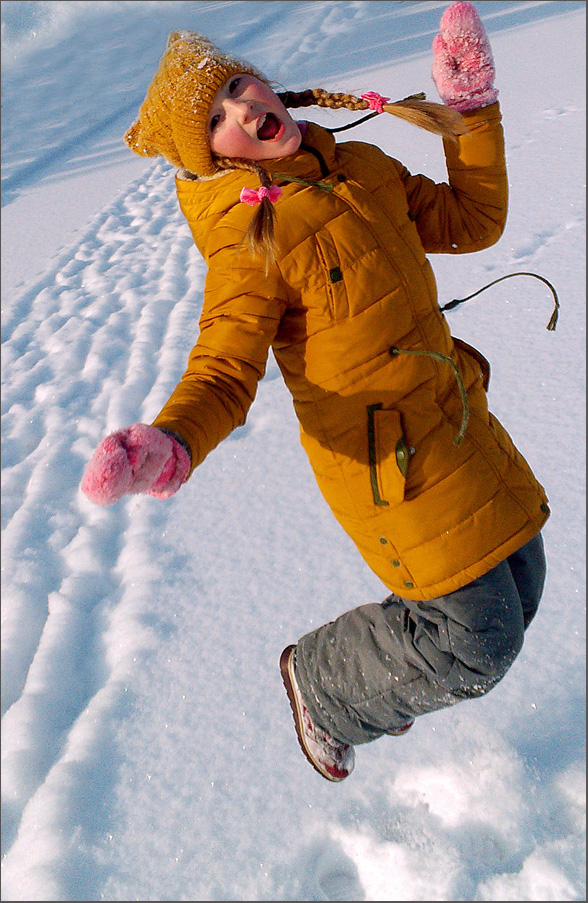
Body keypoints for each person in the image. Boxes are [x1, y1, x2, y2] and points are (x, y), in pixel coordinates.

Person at [81, 1, 549, 782]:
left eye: (239, 84)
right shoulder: (249, 241)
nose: (243, 109)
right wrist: (173, 440)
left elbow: (473, 220)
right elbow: (225, 367)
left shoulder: (362, 169)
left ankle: (379, 671)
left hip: (458, 417)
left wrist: (469, 111)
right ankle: (326, 682)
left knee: (522, 585)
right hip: (390, 465)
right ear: (214, 158)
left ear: (269, 84)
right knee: (478, 638)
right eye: (220, 116)